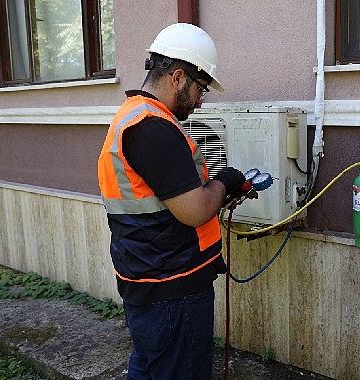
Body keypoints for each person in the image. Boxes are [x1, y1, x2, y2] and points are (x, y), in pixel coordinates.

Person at [97, 23, 248, 379]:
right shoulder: (151, 128)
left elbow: (164, 200)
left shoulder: (135, 117)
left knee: (151, 368)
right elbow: (195, 210)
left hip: (149, 278)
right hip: (171, 289)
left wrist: (217, 192)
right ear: (178, 78)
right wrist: (226, 181)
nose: (200, 101)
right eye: (200, 89)